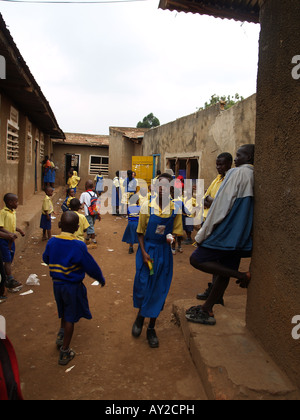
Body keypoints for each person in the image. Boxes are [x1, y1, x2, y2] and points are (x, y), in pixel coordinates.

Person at [187, 144, 254, 326]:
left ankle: (241, 276)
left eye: (239, 155)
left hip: (225, 231)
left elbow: (220, 207)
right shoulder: (254, 175)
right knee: (222, 272)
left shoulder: (236, 173)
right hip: (240, 235)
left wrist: (202, 234)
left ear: (248, 158)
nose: (236, 159)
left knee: (197, 259)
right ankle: (208, 308)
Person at [42, 211, 106, 366]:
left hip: (57, 285)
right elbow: (90, 266)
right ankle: (65, 351)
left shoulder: (52, 242)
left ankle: (61, 333)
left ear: (59, 225)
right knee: (71, 316)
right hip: (72, 286)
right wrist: (100, 278)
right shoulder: (78, 245)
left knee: (63, 309)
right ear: (78, 227)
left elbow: (46, 258)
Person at [132, 173, 183, 348]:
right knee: (144, 285)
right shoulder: (147, 205)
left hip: (163, 252)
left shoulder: (176, 208)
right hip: (147, 250)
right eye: (159, 186)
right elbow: (140, 232)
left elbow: (174, 232)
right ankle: (140, 316)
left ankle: (151, 327)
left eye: (166, 186)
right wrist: (144, 253)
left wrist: (171, 239)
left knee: (159, 289)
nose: (162, 189)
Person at [196, 152, 233, 302]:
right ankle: (214, 292)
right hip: (210, 223)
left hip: (221, 226)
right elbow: (205, 198)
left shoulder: (230, 180)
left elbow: (223, 205)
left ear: (230, 164)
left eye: (222, 164)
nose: (218, 167)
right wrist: (212, 201)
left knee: (217, 260)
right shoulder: (218, 178)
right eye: (217, 164)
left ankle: (216, 294)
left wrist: (212, 201)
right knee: (214, 260)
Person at [0, 194, 25, 293]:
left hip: (11, 240)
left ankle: (7, 276)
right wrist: (9, 234)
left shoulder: (12, 212)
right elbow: (1, 227)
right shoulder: (3, 213)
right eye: (16, 202)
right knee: (7, 259)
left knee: (10, 258)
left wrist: (19, 230)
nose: (18, 203)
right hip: (4, 240)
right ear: (10, 202)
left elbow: (11, 225)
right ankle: (9, 278)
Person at [80, 180, 100, 246]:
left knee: (90, 226)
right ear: (93, 187)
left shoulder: (84, 194)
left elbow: (80, 202)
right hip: (94, 212)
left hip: (88, 213)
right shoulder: (95, 194)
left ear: (85, 186)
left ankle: (93, 240)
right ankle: (88, 238)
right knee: (91, 225)